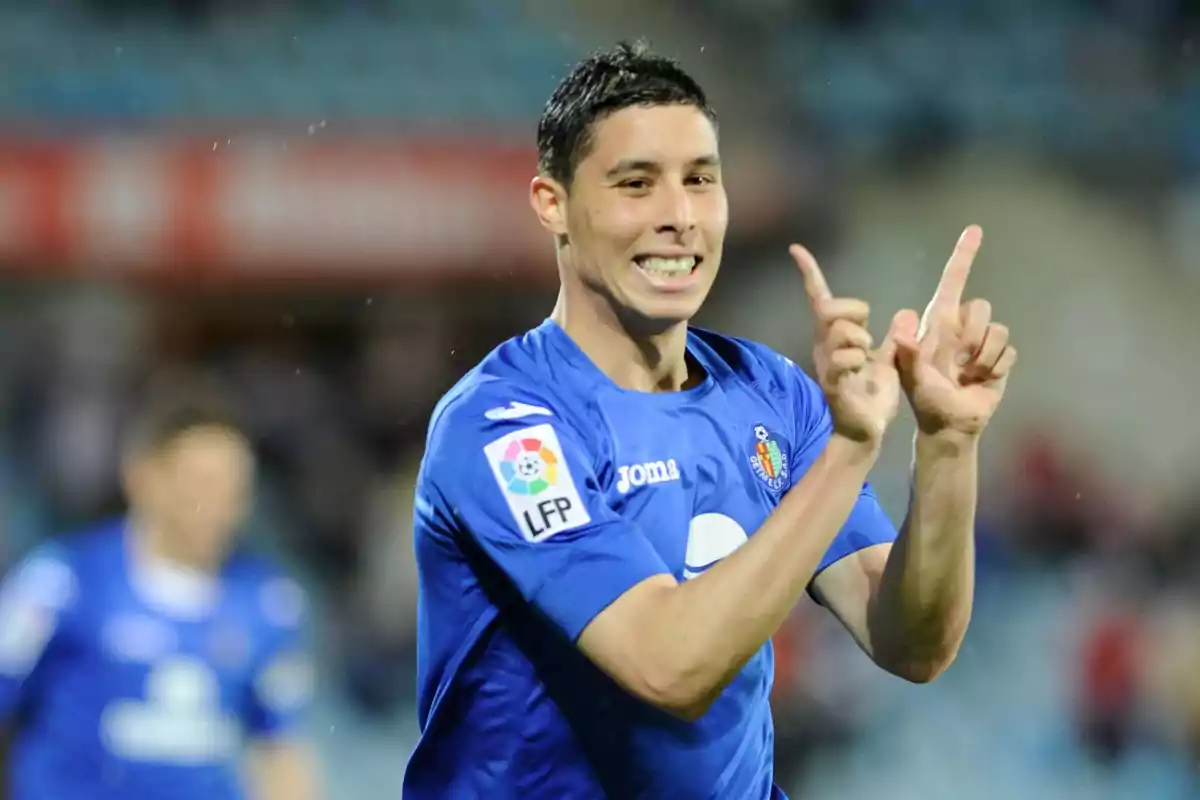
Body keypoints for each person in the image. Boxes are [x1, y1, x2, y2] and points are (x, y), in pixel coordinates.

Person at [405, 40, 1016, 799]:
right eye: (637, 184)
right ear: (552, 204)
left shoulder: (774, 396)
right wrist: (851, 450)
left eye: (701, 180)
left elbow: (914, 644)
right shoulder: (507, 426)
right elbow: (667, 666)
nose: (680, 218)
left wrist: (950, 444)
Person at [0, 380, 319, 800]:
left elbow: (281, 750)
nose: (221, 503)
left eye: (235, 486)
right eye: (202, 482)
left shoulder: (269, 602)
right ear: (144, 477)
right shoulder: (61, 583)